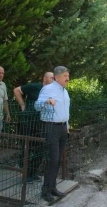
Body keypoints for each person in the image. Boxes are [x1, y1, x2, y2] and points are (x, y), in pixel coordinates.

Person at [34, 66, 70, 202]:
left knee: (58, 159)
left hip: (62, 128)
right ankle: (46, 191)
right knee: (52, 159)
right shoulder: (48, 89)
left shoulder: (64, 91)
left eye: (68, 75)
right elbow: (36, 105)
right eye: (65, 76)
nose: (68, 78)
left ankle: (53, 187)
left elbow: (66, 110)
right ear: (57, 77)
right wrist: (46, 101)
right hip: (51, 127)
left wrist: (67, 125)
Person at [13, 72, 54, 183]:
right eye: (51, 78)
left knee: (40, 149)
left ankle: (31, 173)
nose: (53, 80)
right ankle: (25, 175)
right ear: (44, 78)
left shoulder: (51, 91)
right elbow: (16, 90)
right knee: (28, 148)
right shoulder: (35, 86)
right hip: (27, 122)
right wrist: (22, 104)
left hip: (40, 123)